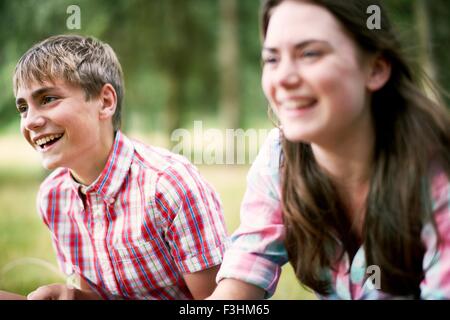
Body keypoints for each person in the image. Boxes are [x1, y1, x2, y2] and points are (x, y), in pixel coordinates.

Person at [209, 0, 450, 300]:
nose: (283, 78)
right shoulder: (279, 158)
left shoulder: (437, 170)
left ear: (375, 69)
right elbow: (245, 274)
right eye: (272, 60)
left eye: (309, 54)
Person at [13, 34, 229, 300]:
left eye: (47, 99)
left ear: (105, 102)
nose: (30, 121)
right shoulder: (53, 198)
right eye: (23, 107)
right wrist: (77, 297)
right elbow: (100, 294)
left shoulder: (170, 185)